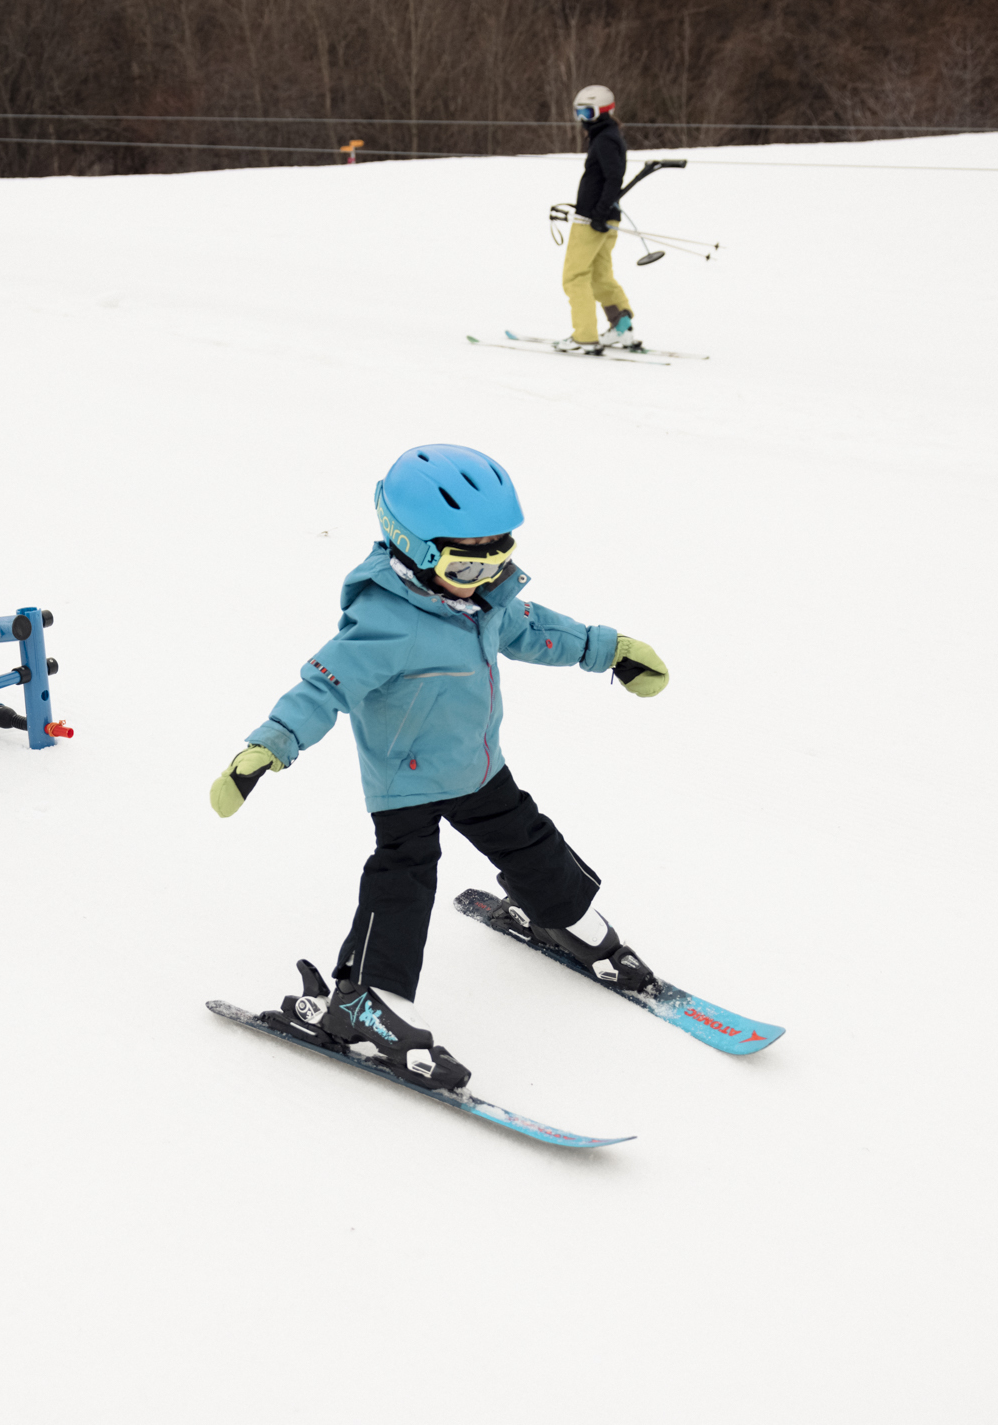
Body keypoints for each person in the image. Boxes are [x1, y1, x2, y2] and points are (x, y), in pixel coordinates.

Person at [208, 444, 671, 1091]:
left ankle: (563, 916)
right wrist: (271, 743)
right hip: (407, 782)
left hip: (479, 766)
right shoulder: (385, 624)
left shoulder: (486, 603)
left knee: (530, 842)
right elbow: (323, 689)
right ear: (414, 547)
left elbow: (539, 630)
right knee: (404, 878)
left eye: (498, 553)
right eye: (464, 558)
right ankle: (363, 1001)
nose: (484, 572)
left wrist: (609, 651)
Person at [556, 84, 634, 354]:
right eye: (579, 113)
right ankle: (622, 327)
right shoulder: (608, 136)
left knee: (575, 276)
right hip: (604, 218)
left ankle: (584, 337)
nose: (582, 120)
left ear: (604, 111)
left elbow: (614, 178)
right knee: (600, 275)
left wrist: (597, 213)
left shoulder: (605, 139)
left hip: (593, 220)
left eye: (587, 113)